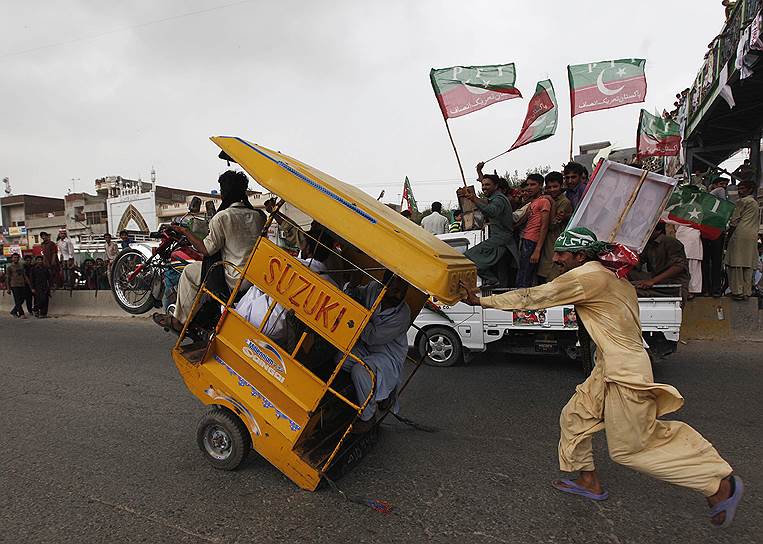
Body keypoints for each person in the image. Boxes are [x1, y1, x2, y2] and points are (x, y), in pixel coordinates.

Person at [460, 227, 743, 528]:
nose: (555, 259)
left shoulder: (588, 276)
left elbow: (536, 296)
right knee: (575, 417)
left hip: (624, 371)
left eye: (562, 254)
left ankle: (716, 482)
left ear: (581, 256)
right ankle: (589, 481)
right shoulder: (614, 278)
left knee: (632, 449)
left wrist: (482, 301)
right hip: (610, 365)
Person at [154, 170, 265, 331]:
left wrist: (185, 232)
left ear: (224, 193)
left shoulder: (222, 217)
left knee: (189, 272)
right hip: (255, 278)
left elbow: (205, 249)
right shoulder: (259, 216)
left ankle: (179, 320)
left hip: (234, 279)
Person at [342, 275, 410, 432]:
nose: (398, 294)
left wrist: (354, 317)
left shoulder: (403, 314)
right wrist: (352, 285)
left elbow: (373, 337)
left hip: (388, 357)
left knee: (360, 370)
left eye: (402, 289)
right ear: (385, 283)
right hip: (367, 349)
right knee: (340, 356)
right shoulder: (373, 289)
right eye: (394, 287)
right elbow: (354, 292)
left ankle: (368, 417)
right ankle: (364, 394)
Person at [457, 164, 517, 288]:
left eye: (487, 185)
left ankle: (491, 279)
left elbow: (492, 211)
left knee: (468, 257)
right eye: (483, 185)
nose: (484, 187)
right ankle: (494, 281)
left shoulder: (499, 199)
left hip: (501, 238)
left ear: (496, 186)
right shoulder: (494, 198)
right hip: (499, 238)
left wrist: (474, 199)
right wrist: (479, 172)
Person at [629, 222, 690, 299]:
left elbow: (678, 266)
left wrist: (653, 281)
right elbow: (638, 262)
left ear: (658, 231)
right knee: (629, 274)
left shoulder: (671, 242)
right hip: (655, 277)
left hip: (672, 282)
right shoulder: (648, 244)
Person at [725, 180, 760, 300]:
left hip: (739, 234)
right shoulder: (754, 203)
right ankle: (747, 291)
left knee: (736, 263)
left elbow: (734, 221)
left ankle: (737, 291)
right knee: (748, 263)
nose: (740, 191)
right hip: (752, 236)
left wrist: (728, 237)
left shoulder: (742, 201)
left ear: (750, 190)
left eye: (742, 189)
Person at [515, 174, 551, 288]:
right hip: (526, 239)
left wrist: (537, 250)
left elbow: (544, 226)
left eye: (533, 185)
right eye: (528, 185)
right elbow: (522, 220)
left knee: (525, 277)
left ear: (540, 186)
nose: (529, 187)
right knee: (522, 274)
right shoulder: (533, 202)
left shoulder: (544, 201)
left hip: (532, 242)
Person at [537, 172, 572, 283]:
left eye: (555, 186)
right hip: (547, 243)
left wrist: (551, 202)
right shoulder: (545, 199)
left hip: (556, 241)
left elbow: (552, 225)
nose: (552, 190)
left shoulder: (564, 202)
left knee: (553, 275)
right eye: (549, 187)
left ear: (561, 186)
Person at [674, 224, 703, 299]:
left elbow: (675, 226)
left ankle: (686, 290)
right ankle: (691, 291)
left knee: (684, 268)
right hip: (691, 237)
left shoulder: (680, 213)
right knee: (693, 268)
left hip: (682, 236)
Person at [7, 253, 30, 319]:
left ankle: (14, 311)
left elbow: (25, 276)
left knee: (22, 299)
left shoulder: (21, 266)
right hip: (14, 285)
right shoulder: (10, 267)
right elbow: (8, 278)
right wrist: (8, 288)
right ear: (12, 258)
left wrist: (29, 284)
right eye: (14, 257)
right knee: (17, 300)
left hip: (22, 284)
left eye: (17, 257)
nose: (16, 259)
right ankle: (21, 314)